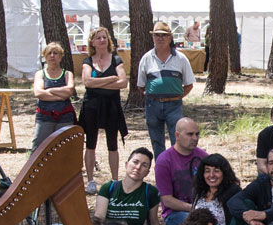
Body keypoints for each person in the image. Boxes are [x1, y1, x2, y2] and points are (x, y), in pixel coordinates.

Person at [78, 26, 129, 188]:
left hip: (111, 106)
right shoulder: (88, 61)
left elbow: (123, 82)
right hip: (91, 106)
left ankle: (114, 180)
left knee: (112, 144)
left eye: (104, 37)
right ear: (92, 42)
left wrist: (97, 84)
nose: (102, 40)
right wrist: (110, 79)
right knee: (90, 143)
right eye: (98, 38)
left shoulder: (116, 60)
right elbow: (87, 82)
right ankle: (91, 181)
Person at [136, 20, 195, 153]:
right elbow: (141, 85)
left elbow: (189, 84)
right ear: (153, 38)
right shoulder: (146, 58)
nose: (160, 38)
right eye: (157, 35)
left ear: (170, 38)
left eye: (164, 35)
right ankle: (161, 170)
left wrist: (177, 97)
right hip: (152, 106)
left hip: (174, 106)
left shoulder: (180, 58)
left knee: (178, 141)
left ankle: (177, 170)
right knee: (156, 142)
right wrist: (154, 95)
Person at [92, 147, 165, 225]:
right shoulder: (108, 188)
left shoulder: (150, 192)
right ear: (126, 164)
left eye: (144, 165)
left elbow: (154, 222)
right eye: (135, 162)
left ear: (148, 172)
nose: (138, 167)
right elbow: (99, 218)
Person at [152, 117, 207, 225]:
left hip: (203, 208)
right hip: (175, 213)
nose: (195, 138)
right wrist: (194, 208)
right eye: (190, 134)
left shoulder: (203, 157)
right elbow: (167, 200)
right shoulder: (164, 161)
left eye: (197, 134)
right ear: (177, 135)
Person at [29, 40, 79, 147]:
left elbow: (69, 91)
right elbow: (38, 93)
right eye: (49, 53)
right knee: (39, 147)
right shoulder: (40, 74)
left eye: (55, 53)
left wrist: (50, 90)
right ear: (45, 56)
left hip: (65, 117)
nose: (52, 56)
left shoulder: (67, 74)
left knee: (64, 148)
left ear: (60, 57)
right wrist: (60, 95)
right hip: (44, 117)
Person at [190, 153, 242, 225]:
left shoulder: (233, 192)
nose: (211, 175)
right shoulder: (199, 191)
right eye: (207, 171)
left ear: (224, 173)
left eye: (216, 171)